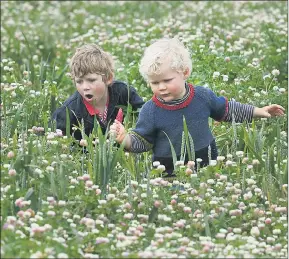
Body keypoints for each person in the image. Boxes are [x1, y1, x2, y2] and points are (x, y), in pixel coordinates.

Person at [109, 37, 285, 178]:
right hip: (169, 173)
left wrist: (259, 111)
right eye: (155, 83)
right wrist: (125, 139)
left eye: (167, 80)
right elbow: (143, 141)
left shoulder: (202, 96)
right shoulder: (151, 110)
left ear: (185, 72)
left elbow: (226, 110)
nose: (161, 87)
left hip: (207, 167)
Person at [52, 44, 144, 142]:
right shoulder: (69, 110)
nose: (85, 87)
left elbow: (144, 114)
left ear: (108, 78)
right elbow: (54, 137)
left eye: (91, 80)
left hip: (125, 148)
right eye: (79, 81)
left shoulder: (124, 92)